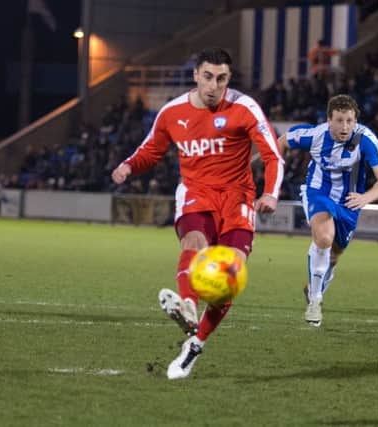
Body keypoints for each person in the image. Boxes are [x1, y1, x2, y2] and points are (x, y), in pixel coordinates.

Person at [111, 47, 284, 379]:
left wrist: (270, 194)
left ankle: (195, 344)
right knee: (194, 240)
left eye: (221, 79)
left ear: (228, 79)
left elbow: (273, 155)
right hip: (196, 194)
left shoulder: (244, 109)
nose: (213, 86)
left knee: (229, 281)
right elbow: (151, 149)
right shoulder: (172, 112)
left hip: (238, 200)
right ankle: (188, 305)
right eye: (207, 77)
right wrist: (129, 165)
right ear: (195, 75)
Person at [277, 94, 378, 327]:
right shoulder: (315, 135)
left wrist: (365, 197)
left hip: (350, 201)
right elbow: (280, 142)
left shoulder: (366, 140)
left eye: (349, 121)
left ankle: (313, 287)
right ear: (329, 120)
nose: (345, 126)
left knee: (335, 255)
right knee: (324, 237)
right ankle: (315, 301)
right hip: (319, 192)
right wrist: (271, 170)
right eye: (339, 120)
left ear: (355, 120)